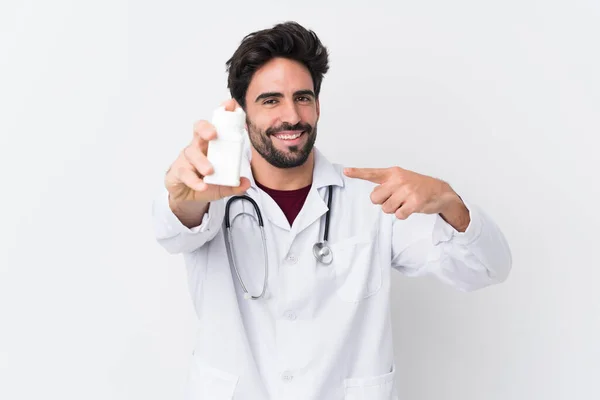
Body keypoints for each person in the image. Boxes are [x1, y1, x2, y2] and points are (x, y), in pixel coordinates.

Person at [152, 21, 512, 400]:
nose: (291, 116)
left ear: (318, 105)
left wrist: (449, 201)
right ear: (242, 114)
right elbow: (173, 230)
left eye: (303, 98)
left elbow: (487, 269)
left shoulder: (373, 202)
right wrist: (184, 195)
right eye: (270, 100)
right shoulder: (210, 195)